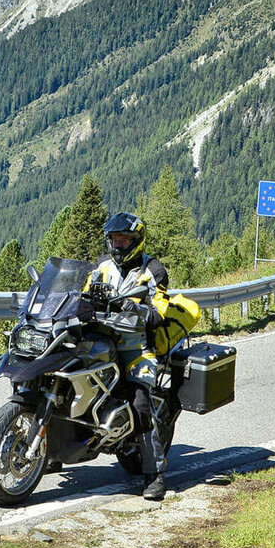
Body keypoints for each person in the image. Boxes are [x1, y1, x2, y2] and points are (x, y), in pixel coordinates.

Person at [89, 212, 171, 500]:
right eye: (114, 240)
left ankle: (154, 475)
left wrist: (135, 308)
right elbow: (81, 291)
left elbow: (159, 312)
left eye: (124, 240)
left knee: (140, 403)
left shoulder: (153, 270)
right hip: (99, 340)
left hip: (136, 349)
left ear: (136, 241)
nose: (119, 246)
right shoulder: (100, 265)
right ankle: (52, 450)